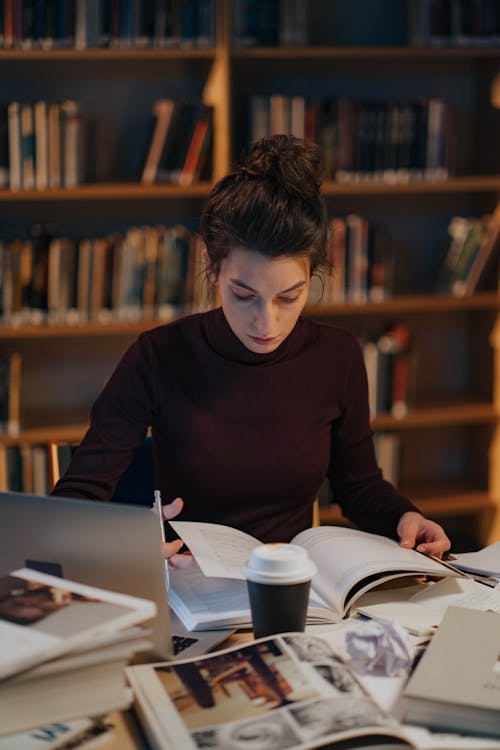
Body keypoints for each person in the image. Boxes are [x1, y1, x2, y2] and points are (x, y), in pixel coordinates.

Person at [52, 134, 450, 561]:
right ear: (211, 265)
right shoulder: (158, 355)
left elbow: (358, 486)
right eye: (244, 295)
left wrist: (403, 517)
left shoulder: (338, 356)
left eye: (289, 297)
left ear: (312, 277)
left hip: (292, 585)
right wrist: (126, 539)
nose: (267, 323)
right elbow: (78, 496)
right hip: (191, 587)